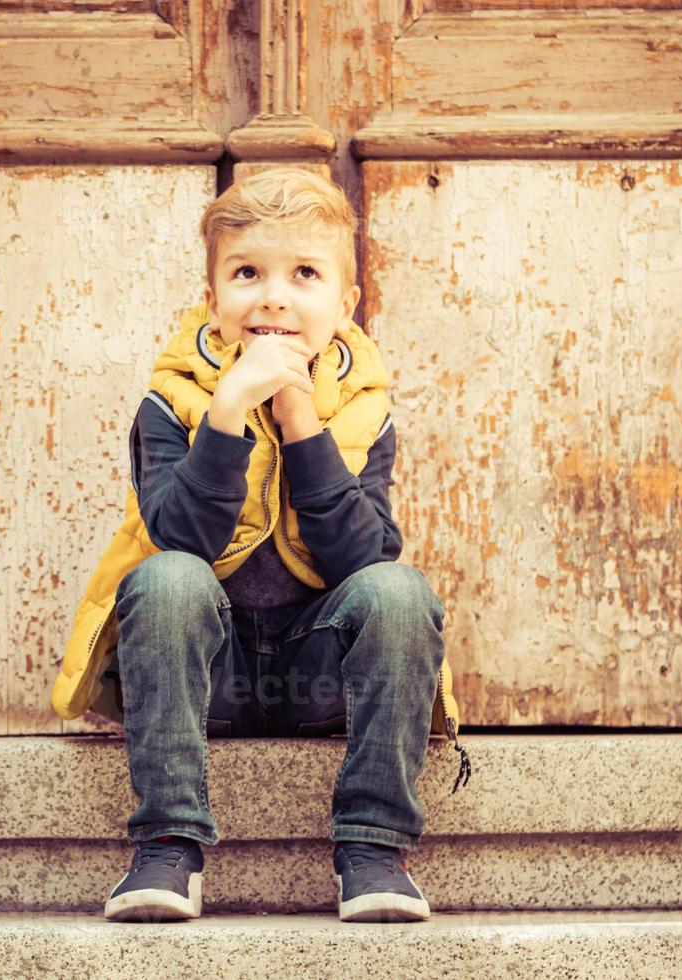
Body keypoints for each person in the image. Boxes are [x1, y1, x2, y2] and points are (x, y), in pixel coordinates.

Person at [50, 166, 469, 924]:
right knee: (167, 577)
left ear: (344, 308)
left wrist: (302, 420)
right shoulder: (169, 403)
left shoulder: (365, 412)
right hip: (209, 678)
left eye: (304, 274)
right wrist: (230, 408)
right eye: (247, 274)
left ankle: (373, 849)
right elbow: (180, 539)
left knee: (400, 592)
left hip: (319, 678)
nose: (273, 296)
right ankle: (168, 847)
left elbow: (361, 557)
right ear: (212, 302)